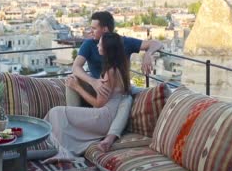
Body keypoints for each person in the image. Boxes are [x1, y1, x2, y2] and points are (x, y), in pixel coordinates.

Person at [66, 11, 163, 151]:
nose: (90, 31)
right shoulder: (89, 44)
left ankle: (110, 136)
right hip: (98, 87)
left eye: (94, 28)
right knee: (72, 81)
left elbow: (156, 43)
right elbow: (75, 67)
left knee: (129, 97)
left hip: (119, 89)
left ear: (104, 29)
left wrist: (148, 54)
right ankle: (75, 125)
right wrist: (93, 82)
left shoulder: (124, 42)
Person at [43, 32, 131, 162]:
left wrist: (76, 87)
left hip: (104, 117)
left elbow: (98, 104)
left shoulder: (110, 72)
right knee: (58, 114)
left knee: (56, 112)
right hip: (109, 116)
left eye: (100, 44)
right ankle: (63, 150)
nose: (97, 46)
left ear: (106, 48)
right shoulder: (121, 68)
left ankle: (64, 151)